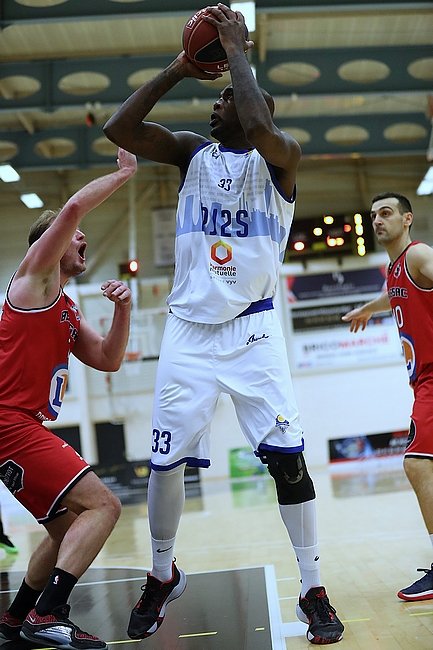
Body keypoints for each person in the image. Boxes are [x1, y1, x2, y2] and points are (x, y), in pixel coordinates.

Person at [104, 3, 344, 645]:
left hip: (254, 333)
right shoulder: (191, 154)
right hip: (188, 332)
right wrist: (179, 68)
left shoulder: (281, 158)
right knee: (164, 463)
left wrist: (237, 48)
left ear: (251, 102)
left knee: (288, 462)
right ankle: (161, 574)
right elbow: (118, 127)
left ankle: (313, 586)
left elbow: (261, 126)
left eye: (226, 99)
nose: (216, 106)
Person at [0, 148, 137, 648]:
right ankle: (49, 612)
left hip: (19, 427)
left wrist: (124, 310)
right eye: (74, 236)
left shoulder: (65, 306)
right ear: (51, 244)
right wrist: (125, 173)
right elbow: (74, 208)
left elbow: (107, 359)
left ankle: (15, 620)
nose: (83, 239)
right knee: (104, 506)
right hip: (11, 423)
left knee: (68, 528)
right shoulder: (32, 281)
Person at [342, 192, 433, 602]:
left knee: (417, 463)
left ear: (407, 219)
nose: (377, 220)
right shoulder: (396, 269)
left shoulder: (418, 255)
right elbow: (391, 296)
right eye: (373, 215)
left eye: (386, 213)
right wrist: (368, 308)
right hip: (423, 381)